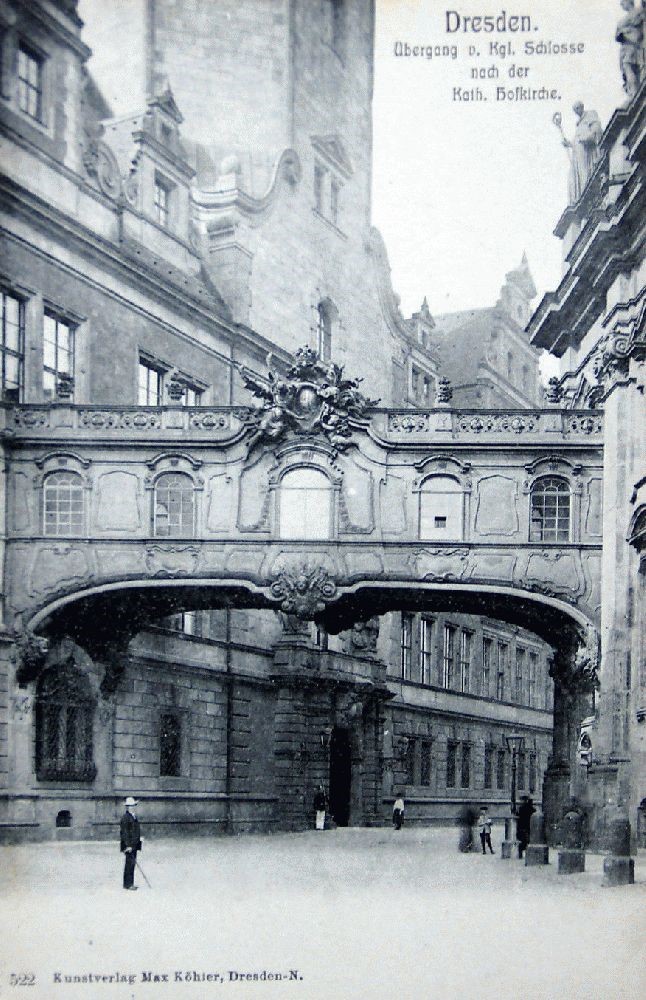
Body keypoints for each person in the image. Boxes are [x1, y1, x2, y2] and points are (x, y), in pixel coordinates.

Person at [562, 102, 603, 205]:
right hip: (578, 154)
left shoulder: (591, 115)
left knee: (585, 173)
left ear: (582, 107)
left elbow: (596, 131)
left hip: (587, 151)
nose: (577, 111)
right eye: (575, 110)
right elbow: (576, 142)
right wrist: (570, 144)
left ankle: (587, 191)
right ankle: (583, 195)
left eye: (578, 108)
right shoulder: (579, 124)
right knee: (573, 178)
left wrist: (586, 138)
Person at [616, 0, 645, 97]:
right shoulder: (637, 12)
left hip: (633, 47)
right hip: (627, 48)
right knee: (629, 69)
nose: (621, 4)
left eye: (623, 2)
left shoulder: (639, 11)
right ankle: (634, 93)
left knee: (630, 68)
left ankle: (634, 93)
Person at [120, 795, 142, 890]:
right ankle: (128, 884)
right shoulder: (126, 817)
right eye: (130, 806)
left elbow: (135, 830)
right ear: (127, 807)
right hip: (129, 845)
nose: (132, 807)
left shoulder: (133, 816)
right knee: (129, 864)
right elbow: (124, 833)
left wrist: (139, 839)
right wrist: (128, 846)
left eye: (133, 806)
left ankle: (130, 883)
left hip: (134, 844)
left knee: (132, 864)